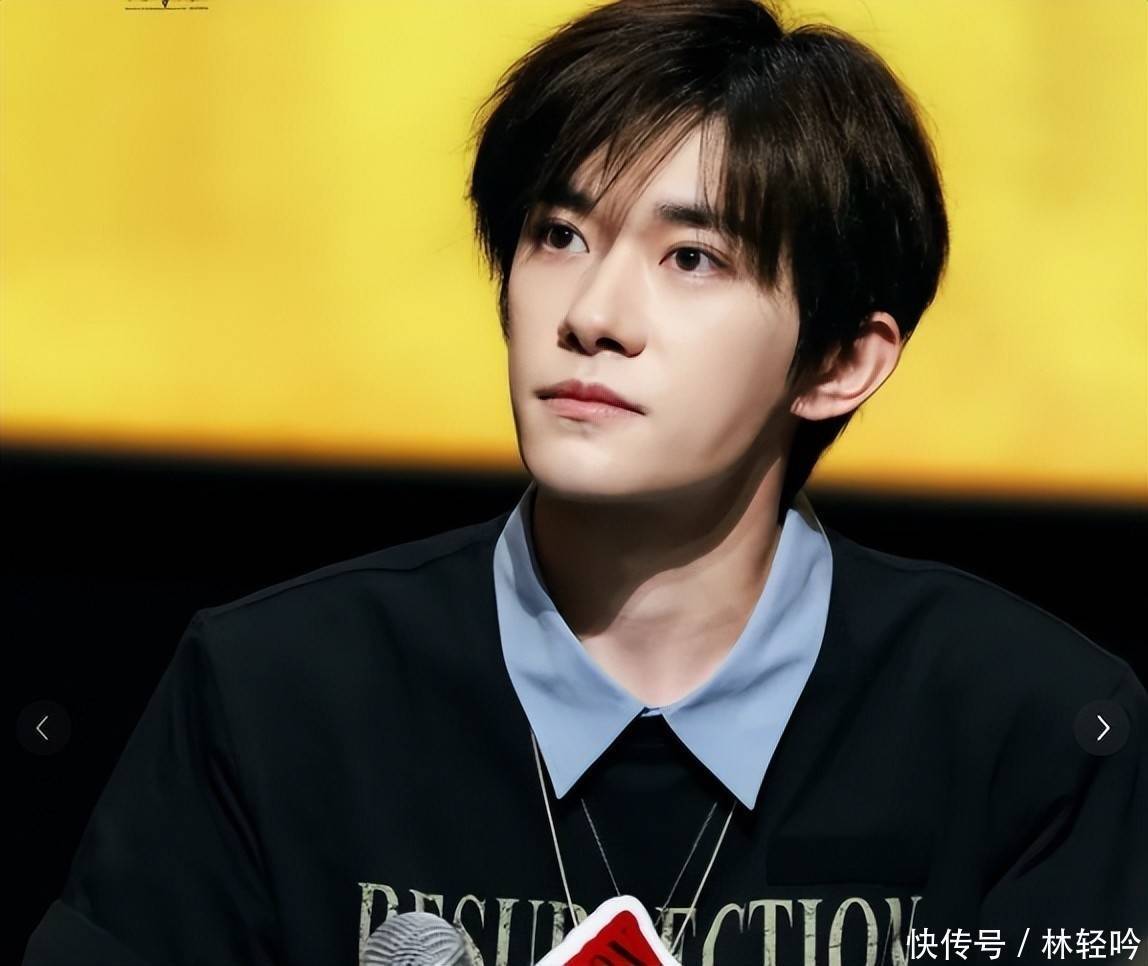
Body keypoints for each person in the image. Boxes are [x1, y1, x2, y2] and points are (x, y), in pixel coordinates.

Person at [23, 1, 1147, 964]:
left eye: (691, 258)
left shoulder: (1032, 733)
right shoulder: (276, 695)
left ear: (840, 362)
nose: (594, 316)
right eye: (559, 236)